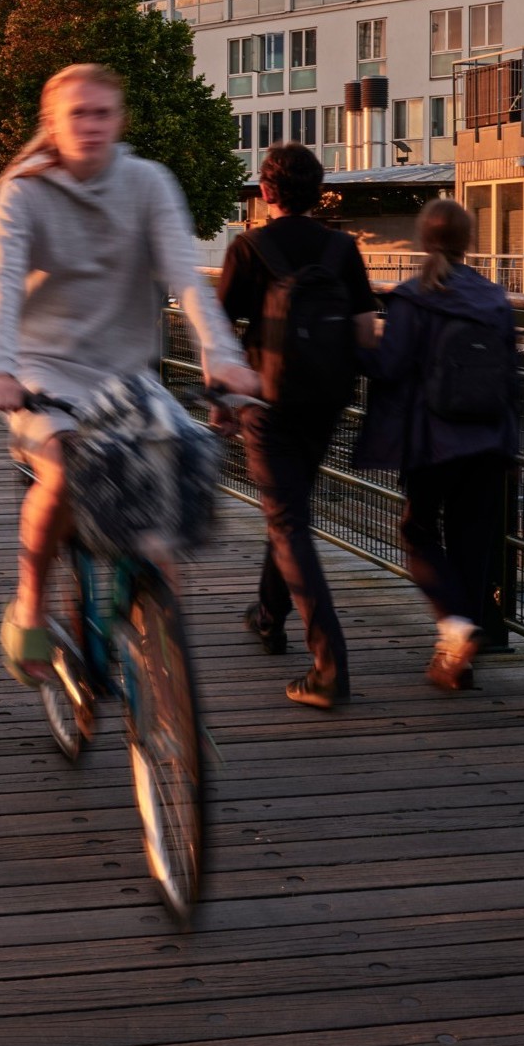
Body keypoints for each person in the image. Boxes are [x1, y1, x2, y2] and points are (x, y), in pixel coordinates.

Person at [0, 63, 257, 686]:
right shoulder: (24, 190)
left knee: (166, 511)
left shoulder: (149, 184)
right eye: (77, 113)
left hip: (124, 370)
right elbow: (1, 284)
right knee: (59, 469)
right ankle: (29, 606)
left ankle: (167, 690)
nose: (91, 125)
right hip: (42, 368)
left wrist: (225, 358)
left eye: (102, 112)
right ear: (52, 122)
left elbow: (186, 277)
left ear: (119, 120)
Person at [217, 143, 377, 709]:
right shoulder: (342, 248)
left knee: (287, 522)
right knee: (287, 510)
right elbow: (363, 332)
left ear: (266, 192)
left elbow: (220, 332)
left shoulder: (249, 247)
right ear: (318, 192)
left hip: (268, 401)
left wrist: (221, 400)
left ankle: (329, 666)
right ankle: (267, 614)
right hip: (327, 400)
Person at [355, 198, 518, 691]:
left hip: (435, 440)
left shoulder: (413, 295)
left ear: (425, 238)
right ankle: (459, 659)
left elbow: (390, 366)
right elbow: (510, 377)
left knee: (418, 531)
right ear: (469, 241)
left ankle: (455, 627)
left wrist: (358, 344)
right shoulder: (494, 297)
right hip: (489, 439)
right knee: (472, 546)